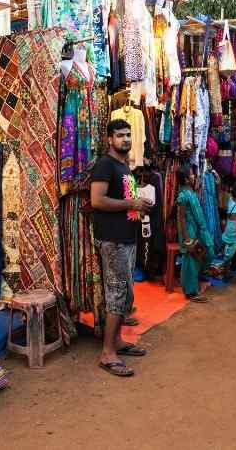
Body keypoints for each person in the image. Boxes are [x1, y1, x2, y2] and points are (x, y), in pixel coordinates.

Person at [90, 119, 152, 377]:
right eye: (120, 135)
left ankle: (116, 341)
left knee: (125, 294)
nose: (125, 139)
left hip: (126, 237)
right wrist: (131, 204)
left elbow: (125, 199)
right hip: (113, 239)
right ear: (109, 139)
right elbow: (97, 200)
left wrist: (138, 205)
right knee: (116, 294)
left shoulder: (123, 166)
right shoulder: (105, 165)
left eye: (128, 135)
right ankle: (107, 353)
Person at [175, 165, 211, 302]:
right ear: (185, 179)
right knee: (190, 260)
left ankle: (194, 285)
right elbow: (181, 218)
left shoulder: (191, 192)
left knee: (200, 255)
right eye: (191, 174)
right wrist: (187, 239)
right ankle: (191, 292)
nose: (194, 176)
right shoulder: (183, 196)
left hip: (196, 229)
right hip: (188, 231)